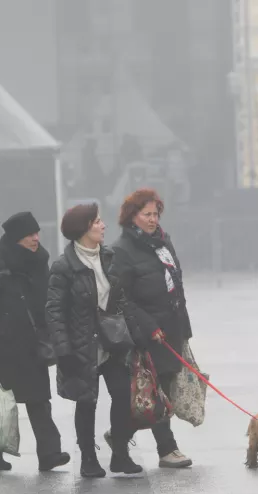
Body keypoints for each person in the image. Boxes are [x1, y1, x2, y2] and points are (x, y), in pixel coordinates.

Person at [46, 203, 144, 478]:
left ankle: (121, 455)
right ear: (83, 228)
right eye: (98, 222)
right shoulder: (64, 267)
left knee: (123, 395)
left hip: (112, 342)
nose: (103, 226)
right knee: (86, 401)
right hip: (81, 346)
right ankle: (88, 457)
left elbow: (121, 299)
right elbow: (54, 312)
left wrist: (136, 334)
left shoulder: (109, 258)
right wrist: (63, 350)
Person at [0, 211, 71, 472]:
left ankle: (50, 454)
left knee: (39, 402)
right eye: (30, 235)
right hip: (0, 349)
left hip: (31, 346)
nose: (36, 238)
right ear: (16, 238)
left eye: (37, 233)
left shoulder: (39, 263)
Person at [111, 188, 194, 469]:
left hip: (173, 327)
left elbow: (175, 284)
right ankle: (167, 449)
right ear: (132, 217)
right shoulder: (122, 250)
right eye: (146, 214)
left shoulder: (162, 242)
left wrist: (183, 325)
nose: (152, 219)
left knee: (163, 391)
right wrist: (148, 326)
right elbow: (123, 298)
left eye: (156, 213)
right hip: (149, 332)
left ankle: (120, 432)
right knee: (156, 392)